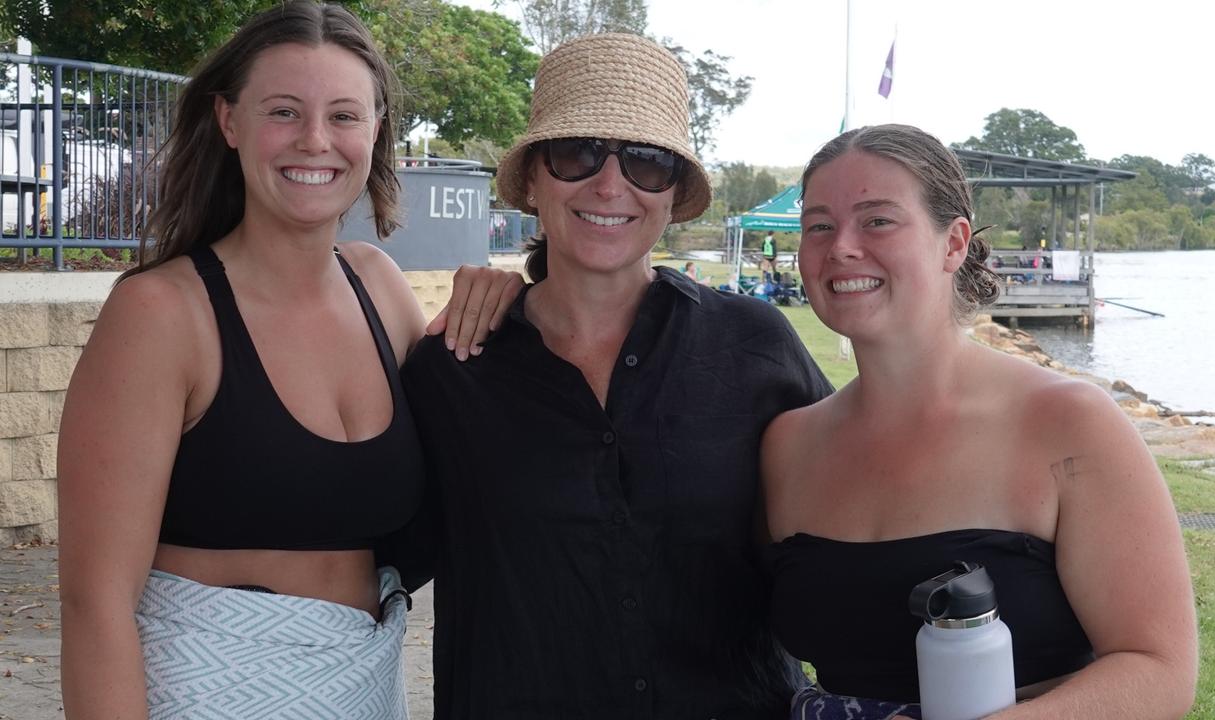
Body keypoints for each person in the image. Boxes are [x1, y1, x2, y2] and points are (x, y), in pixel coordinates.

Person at [57, 3, 519, 718]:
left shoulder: (379, 287)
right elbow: (95, 606)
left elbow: (484, 432)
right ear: (229, 121)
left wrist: (510, 301)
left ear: (375, 132)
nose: (314, 140)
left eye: (344, 115)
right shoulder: (161, 315)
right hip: (205, 691)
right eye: (283, 111)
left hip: (367, 690)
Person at [391, 33, 832, 719]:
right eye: (577, 154)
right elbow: (364, 544)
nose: (609, 184)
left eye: (647, 164)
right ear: (533, 180)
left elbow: (859, 520)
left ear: (675, 192)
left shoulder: (755, 346)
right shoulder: (453, 368)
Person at [762, 125, 1198, 719]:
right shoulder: (790, 446)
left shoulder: (1069, 424)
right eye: (819, 225)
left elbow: (1158, 670)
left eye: (878, 220)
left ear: (954, 242)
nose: (841, 246)